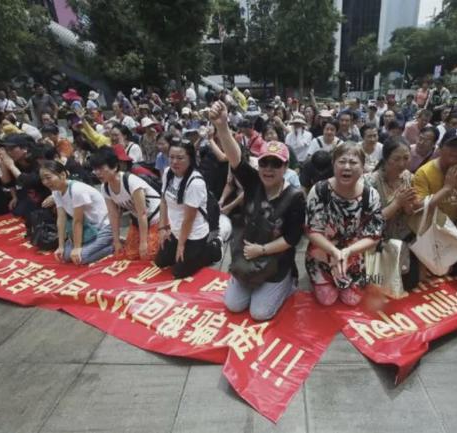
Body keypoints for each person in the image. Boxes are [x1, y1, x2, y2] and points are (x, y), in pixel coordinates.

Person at [210, 100, 306, 320]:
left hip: (276, 263)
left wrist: (261, 250)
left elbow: (291, 239)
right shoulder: (253, 182)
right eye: (264, 163)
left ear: (286, 167)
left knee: (259, 313)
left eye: (276, 164)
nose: (268, 169)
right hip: (248, 259)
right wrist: (222, 127)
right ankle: (250, 283)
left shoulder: (295, 197)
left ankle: (287, 283)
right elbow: (236, 160)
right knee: (234, 305)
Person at [305, 142, 384, 306]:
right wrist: (333, 251)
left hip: (353, 255)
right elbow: (312, 231)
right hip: (322, 252)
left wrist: (348, 251)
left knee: (352, 300)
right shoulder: (319, 190)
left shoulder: (371, 195)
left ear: (363, 167)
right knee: (327, 300)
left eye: (353, 162)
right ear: (333, 164)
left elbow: (374, 235)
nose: (347, 167)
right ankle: (318, 277)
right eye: (342, 161)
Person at [412, 127, 457, 273]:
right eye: (453, 145)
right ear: (440, 147)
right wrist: (446, 189)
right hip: (429, 235)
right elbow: (418, 208)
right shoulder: (424, 172)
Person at [154, 139, 223, 277]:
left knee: (179, 272)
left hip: (193, 234)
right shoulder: (168, 173)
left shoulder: (195, 182)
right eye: (171, 157)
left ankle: (213, 247)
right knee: (160, 262)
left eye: (180, 158)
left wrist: (181, 245)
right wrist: (162, 228)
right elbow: (163, 201)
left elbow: (188, 219)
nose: (174, 162)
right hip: (175, 231)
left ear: (190, 159)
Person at [366, 137, 419, 288]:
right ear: (385, 158)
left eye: (406, 158)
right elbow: (371, 220)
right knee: (377, 286)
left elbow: (413, 213)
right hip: (377, 242)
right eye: (396, 159)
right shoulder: (370, 182)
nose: (402, 164)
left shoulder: (410, 178)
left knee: (409, 285)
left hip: (403, 241)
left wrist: (408, 207)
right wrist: (397, 203)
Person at [90, 149, 161, 261]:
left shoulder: (131, 182)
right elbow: (113, 215)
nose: (97, 173)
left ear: (114, 167)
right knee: (129, 255)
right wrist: (116, 240)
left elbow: (142, 213)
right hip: (137, 221)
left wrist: (143, 242)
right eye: (95, 169)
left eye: (101, 168)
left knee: (148, 253)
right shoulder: (105, 188)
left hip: (156, 218)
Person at [39, 161, 113, 265]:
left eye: (48, 177)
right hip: (87, 228)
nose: (45, 182)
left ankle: (113, 245)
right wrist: (61, 246)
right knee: (66, 255)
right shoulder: (56, 192)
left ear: (62, 175)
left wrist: (77, 248)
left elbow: (78, 221)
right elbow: (61, 219)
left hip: (103, 227)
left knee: (81, 257)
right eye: (43, 179)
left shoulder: (76, 190)